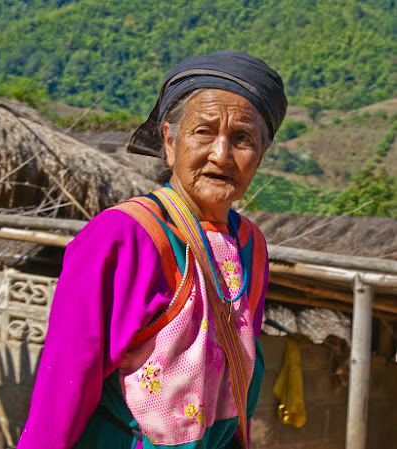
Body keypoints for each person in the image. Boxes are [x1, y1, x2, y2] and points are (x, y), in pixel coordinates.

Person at [17, 50, 287, 449]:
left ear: (261, 154)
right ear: (170, 141)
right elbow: (65, 385)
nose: (221, 154)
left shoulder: (249, 245)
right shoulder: (122, 236)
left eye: (243, 138)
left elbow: (233, 380)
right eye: (204, 132)